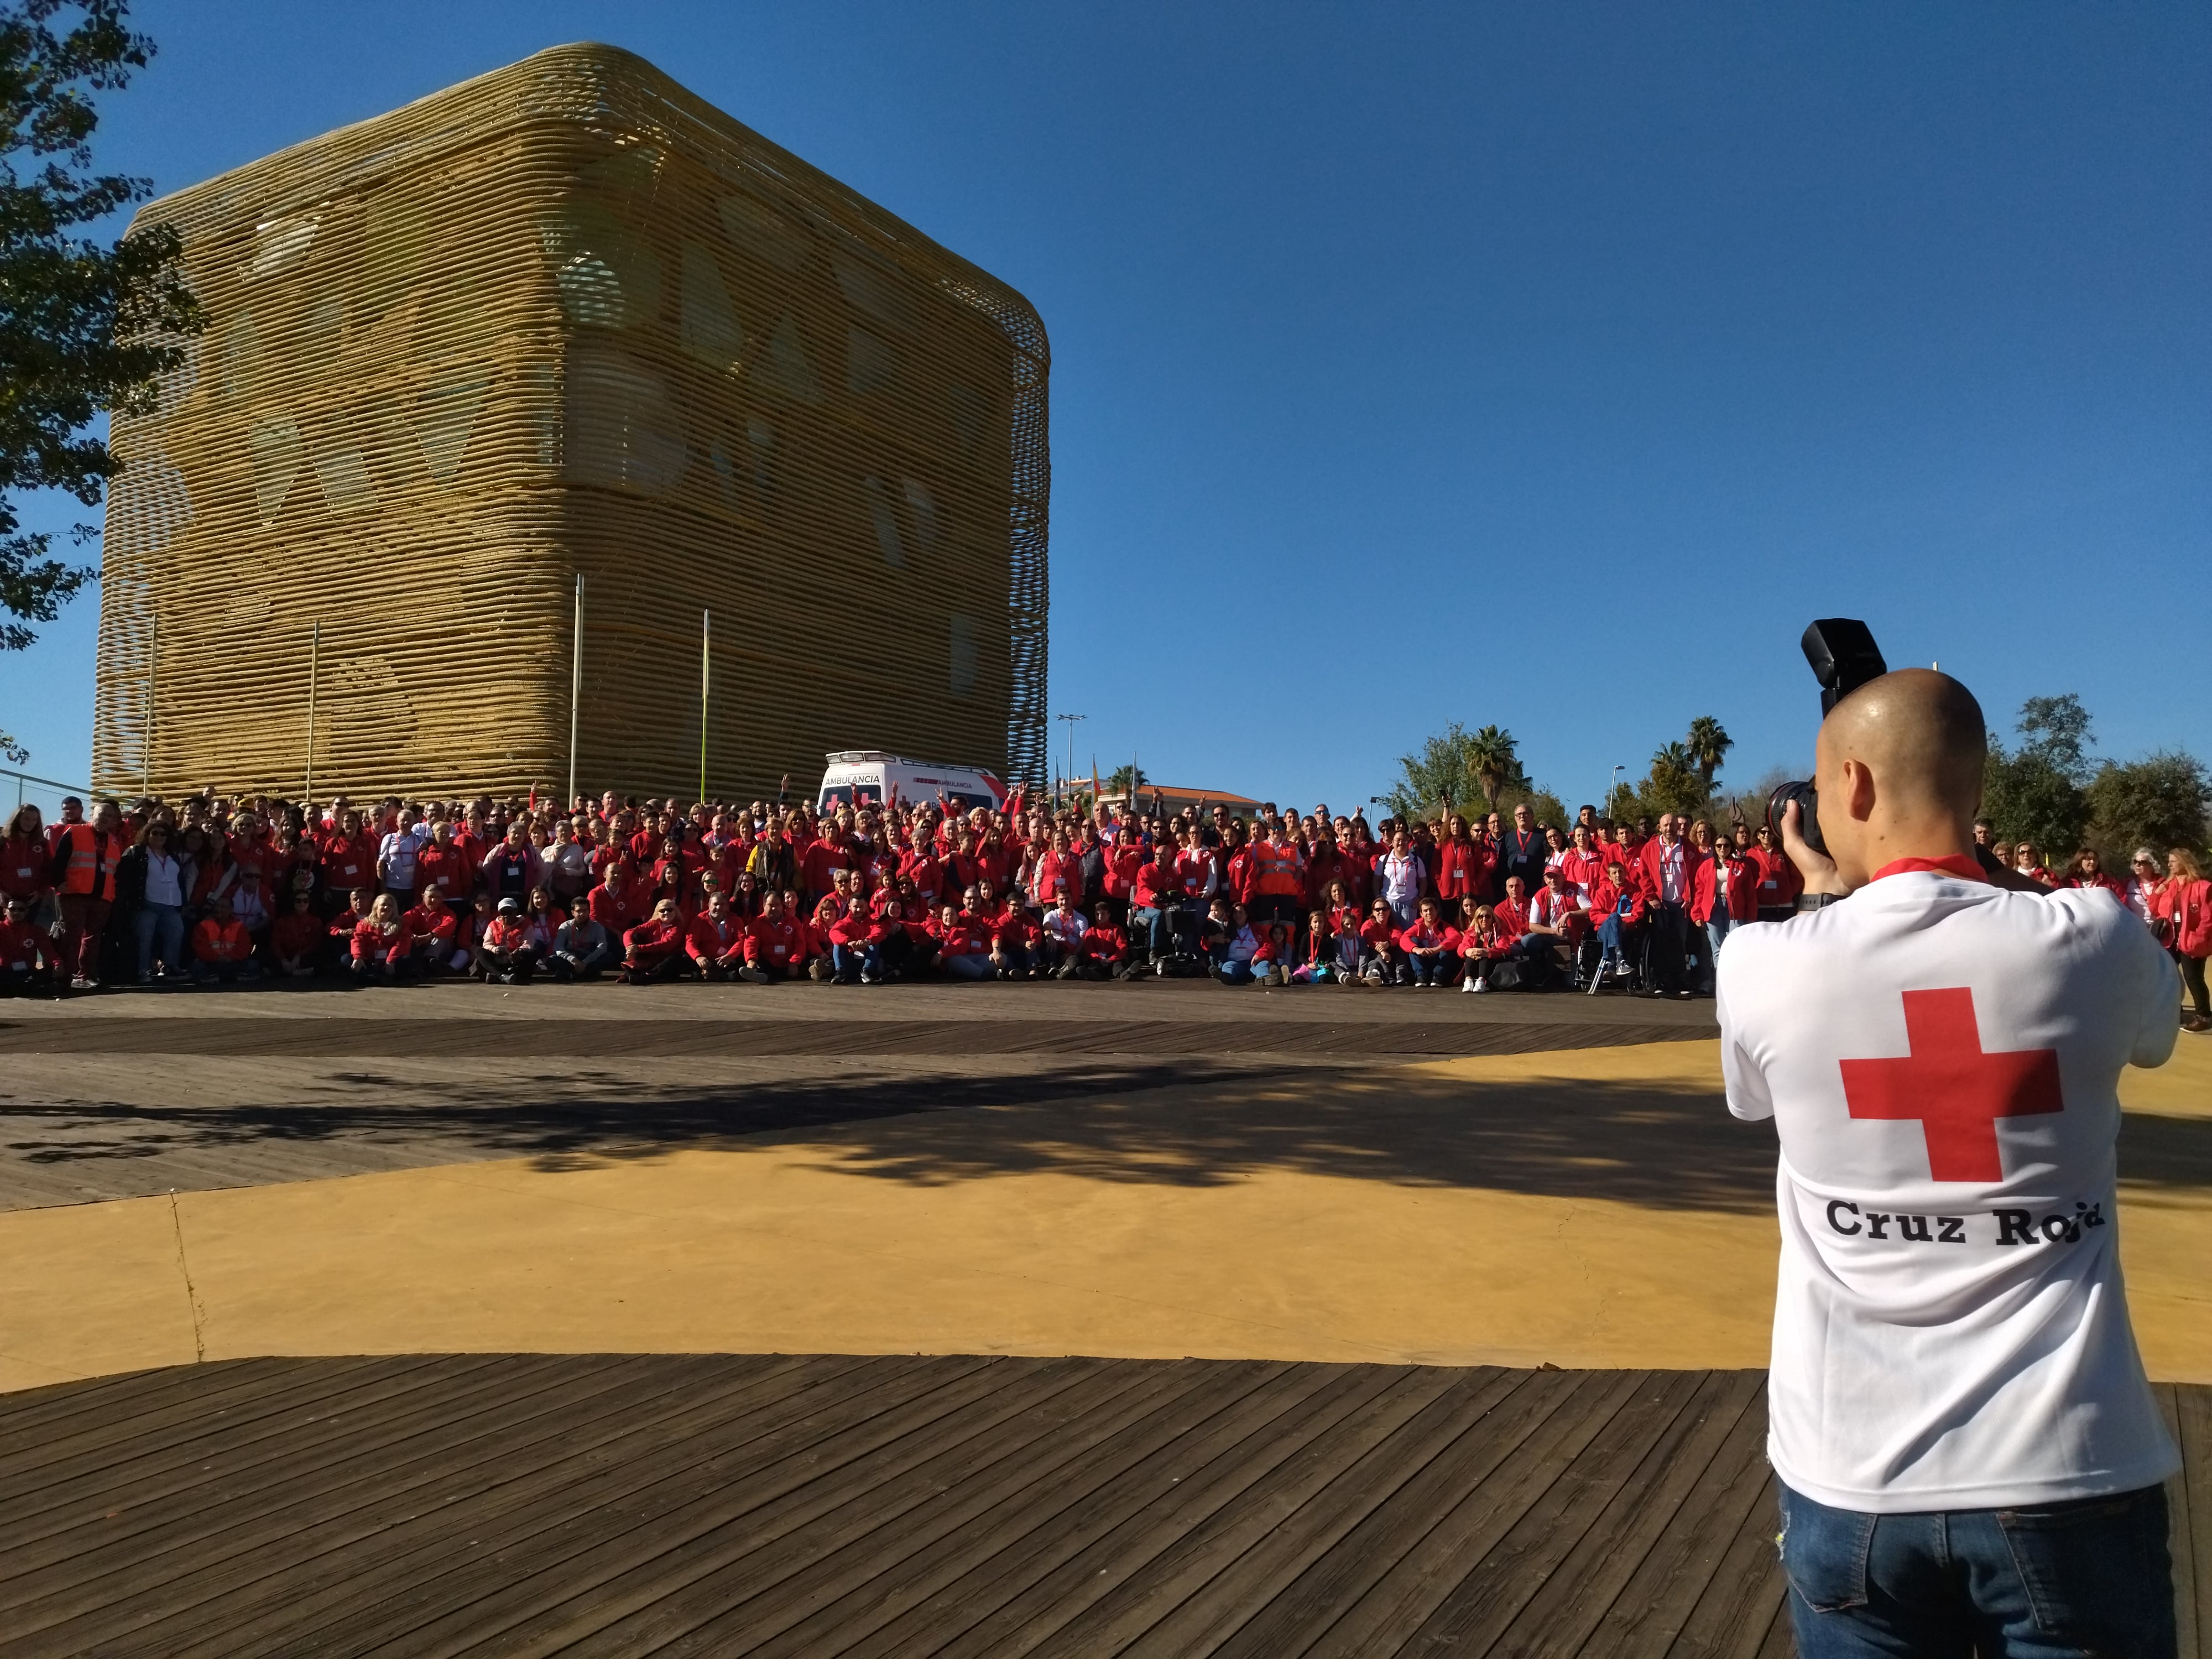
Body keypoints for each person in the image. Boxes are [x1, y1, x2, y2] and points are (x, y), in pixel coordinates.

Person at [1718, 668, 2181, 1653]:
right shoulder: (2094, 941)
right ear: (1977, 791)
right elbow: (2156, 1032)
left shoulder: (1762, 963)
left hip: (1852, 1476)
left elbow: (1755, 1094)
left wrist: (1818, 894)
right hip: (2070, 1464)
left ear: (1849, 788)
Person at [51, 799, 126, 991]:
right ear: (93, 814)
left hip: (102, 898)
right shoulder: (75, 832)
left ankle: (85, 976)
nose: (105, 818)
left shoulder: (114, 841)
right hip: (75, 894)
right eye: (102, 814)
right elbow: (59, 861)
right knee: (72, 936)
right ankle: (66, 977)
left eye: (110, 816)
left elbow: (115, 870)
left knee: (93, 938)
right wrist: (59, 884)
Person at [2162, 848, 2209, 1034]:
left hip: (2192, 940)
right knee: (2169, 977)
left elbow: (2208, 917)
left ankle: (2204, 1017)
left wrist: (2199, 937)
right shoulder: (2170, 885)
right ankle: (2175, 1012)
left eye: (2173, 861)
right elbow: (2156, 908)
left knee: (2194, 978)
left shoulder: (2203, 886)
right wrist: (2159, 891)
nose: (2169, 864)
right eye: (2169, 861)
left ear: (2184, 861)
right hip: (2171, 938)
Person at [190, 895, 259, 985]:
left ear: (231, 910)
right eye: (217, 906)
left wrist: (230, 957)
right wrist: (217, 958)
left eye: (223, 907)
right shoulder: (203, 926)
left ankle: (216, 978)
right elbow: (200, 948)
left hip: (233, 962)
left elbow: (245, 947)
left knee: (253, 964)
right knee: (197, 966)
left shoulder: (239, 926)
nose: (218, 909)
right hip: (212, 963)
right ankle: (235, 978)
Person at [1, 891, 59, 995]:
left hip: (28, 971)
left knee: (49, 973)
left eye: (21, 910)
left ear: (27, 912)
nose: (16, 913)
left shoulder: (36, 931)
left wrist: (57, 963)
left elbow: (48, 951)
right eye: (12, 909)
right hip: (5, 971)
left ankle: (21, 987)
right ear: (5, 911)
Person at [548, 905, 612, 982]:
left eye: (585, 911)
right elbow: (558, 948)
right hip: (572, 960)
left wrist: (585, 962)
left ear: (589, 911)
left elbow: (602, 947)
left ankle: (572, 975)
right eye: (579, 911)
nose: (582, 914)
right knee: (551, 960)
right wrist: (573, 960)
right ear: (573, 913)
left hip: (589, 959)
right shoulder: (565, 927)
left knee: (609, 957)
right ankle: (589, 974)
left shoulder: (597, 927)